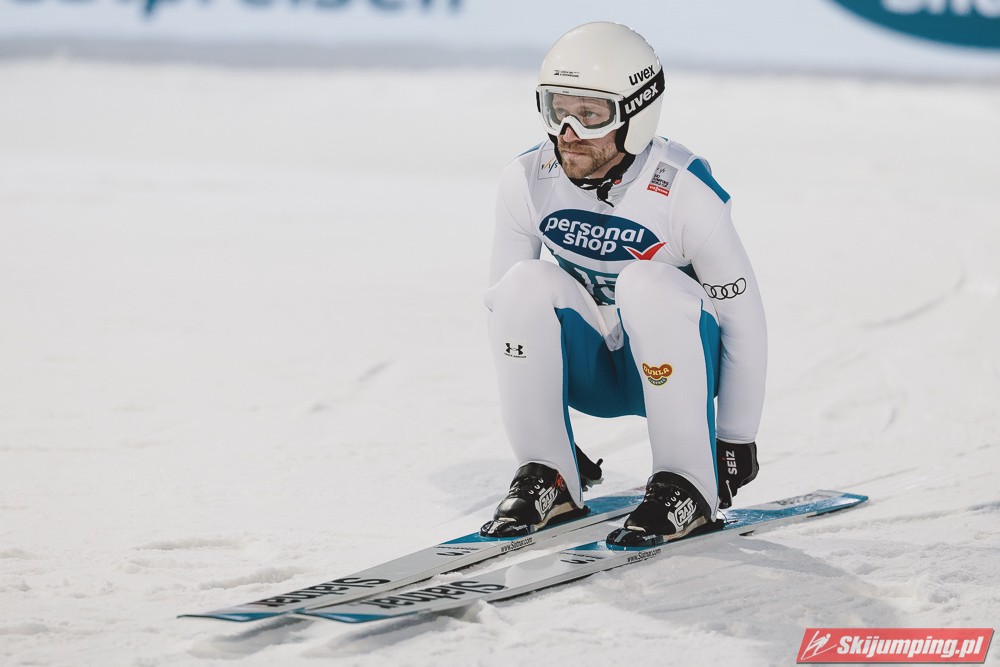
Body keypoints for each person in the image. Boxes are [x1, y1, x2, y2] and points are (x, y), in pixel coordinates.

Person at [480, 21, 766, 547]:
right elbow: (506, 316)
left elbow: (742, 318)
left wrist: (735, 436)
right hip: (594, 372)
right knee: (520, 284)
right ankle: (549, 474)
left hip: (683, 367)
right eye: (557, 110)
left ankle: (686, 483)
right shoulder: (526, 179)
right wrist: (544, 429)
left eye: (590, 115)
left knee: (646, 282)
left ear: (635, 117)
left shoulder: (684, 191)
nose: (568, 132)